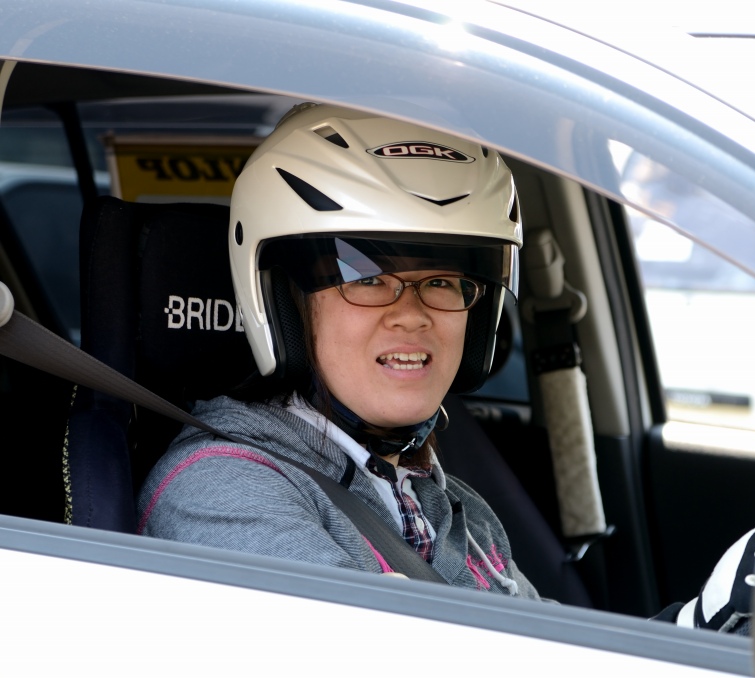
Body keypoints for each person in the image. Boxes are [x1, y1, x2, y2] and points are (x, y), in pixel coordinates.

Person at [136, 102, 538, 598]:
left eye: (441, 281)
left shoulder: (457, 508)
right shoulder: (221, 490)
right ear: (287, 306)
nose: (413, 315)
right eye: (366, 278)